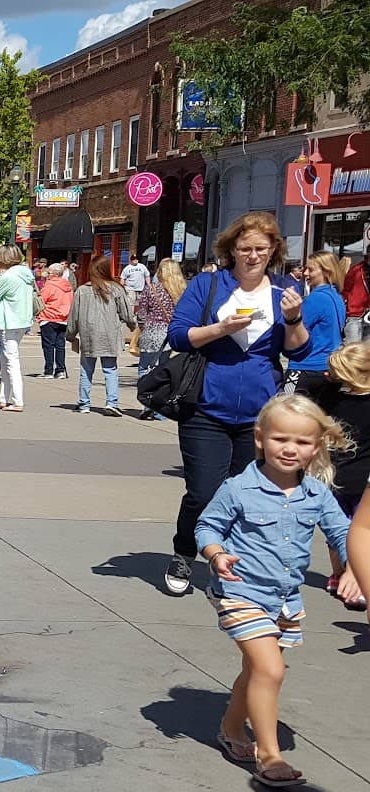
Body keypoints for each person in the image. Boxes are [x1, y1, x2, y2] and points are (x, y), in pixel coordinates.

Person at [197, 394, 349, 788]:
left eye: (302, 442)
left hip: (284, 599)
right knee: (270, 669)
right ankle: (269, 756)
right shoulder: (238, 488)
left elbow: (343, 533)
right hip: (240, 591)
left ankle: (232, 729)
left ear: (316, 447)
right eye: (281, 439)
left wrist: (351, 569)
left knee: (256, 671)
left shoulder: (316, 494)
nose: (290, 449)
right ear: (261, 438)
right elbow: (207, 527)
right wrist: (216, 555)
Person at [163, 212, 310, 596]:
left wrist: (293, 319)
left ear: (274, 250)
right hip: (206, 406)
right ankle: (184, 551)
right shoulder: (209, 285)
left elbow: (299, 349)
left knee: (248, 494)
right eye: (244, 248)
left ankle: (228, 564)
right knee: (204, 491)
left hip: (260, 412)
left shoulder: (284, 290)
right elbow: (178, 335)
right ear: (231, 249)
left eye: (261, 248)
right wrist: (220, 330)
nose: (252, 256)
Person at [312, 343, 370, 612]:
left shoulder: (334, 397)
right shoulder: (332, 395)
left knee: (353, 532)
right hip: (334, 477)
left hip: (356, 479)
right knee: (336, 529)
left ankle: (354, 577)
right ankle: (341, 573)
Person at [67, 256, 135, 416]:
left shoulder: (82, 291)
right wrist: (132, 325)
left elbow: (74, 316)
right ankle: (112, 402)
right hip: (110, 334)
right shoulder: (116, 289)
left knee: (86, 369)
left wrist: (71, 335)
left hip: (89, 334)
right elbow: (126, 313)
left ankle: (84, 403)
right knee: (110, 368)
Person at [281, 251, 346, 398]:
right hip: (328, 369)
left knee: (284, 408)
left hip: (305, 367)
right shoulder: (337, 297)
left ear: (326, 271)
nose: (305, 273)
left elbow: (295, 331)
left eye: (310, 269)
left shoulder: (315, 299)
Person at [0, 246, 35, 412]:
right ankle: (3, 397)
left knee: (11, 360)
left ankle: (17, 400)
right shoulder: (26, 274)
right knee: (6, 359)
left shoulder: (8, 277)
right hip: (23, 319)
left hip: (10, 320)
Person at [136, 259, 184, 389]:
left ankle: (146, 403)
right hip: (170, 335)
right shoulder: (181, 291)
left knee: (145, 368)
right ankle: (159, 405)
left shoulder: (151, 289)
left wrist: (143, 327)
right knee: (164, 370)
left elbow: (141, 313)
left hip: (151, 332)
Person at [35, 263, 73, 379]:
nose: (47, 274)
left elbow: (41, 301)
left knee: (48, 345)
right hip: (63, 318)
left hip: (49, 318)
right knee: (60, 345)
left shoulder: (49, 286)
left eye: (49, 272)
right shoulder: (68, 286)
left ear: (55, 274)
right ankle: (60, 370)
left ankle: (49, 370)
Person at [344, 254, 368, 343]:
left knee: (367, 352)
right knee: (353, 349)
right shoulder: (356, 270)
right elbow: (346, 289)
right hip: (355, 314)